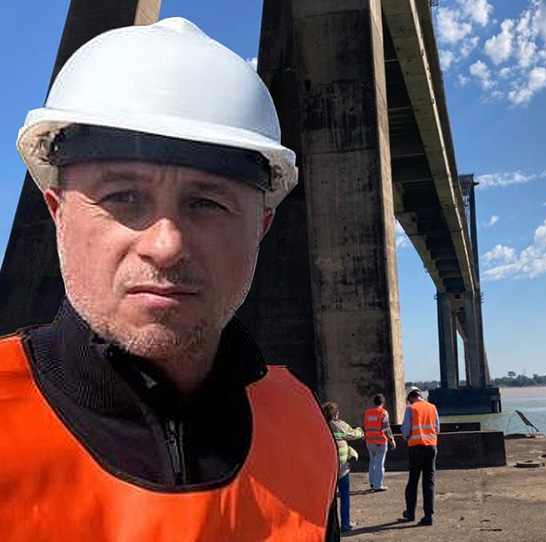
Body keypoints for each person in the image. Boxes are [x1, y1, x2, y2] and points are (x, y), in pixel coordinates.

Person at [0, 18, 340, 541]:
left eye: (207, 203)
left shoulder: (301, 427)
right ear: (57, 211)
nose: (165, 245)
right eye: (123, 197)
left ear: (262, 226)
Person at [400, 386, 440, 526]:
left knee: (413, 481)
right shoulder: (432, 407)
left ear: (410, 398)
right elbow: (437, 428)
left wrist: (407, 438)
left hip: (416, 448)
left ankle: (410, 513)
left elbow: (406, 430)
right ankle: (428, 516)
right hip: (431, 447)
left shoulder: (411, 409)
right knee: (429, 482)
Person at [323, 402, 364, 533]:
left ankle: (327, 525)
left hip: (326, 468)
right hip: (342, 467)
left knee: (328, 499)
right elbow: (354, 434)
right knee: (344, 494)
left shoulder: (320, 425)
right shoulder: (340, 425)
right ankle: (345, 523)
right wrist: (360, 431)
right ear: (336, 414)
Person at [363, 393, 396, 491]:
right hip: (380, 441)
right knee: (379, 464)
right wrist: (391, 440)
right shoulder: (383, 413)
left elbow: (366, 427)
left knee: (372, 462)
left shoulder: (368, 413)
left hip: (369, 441)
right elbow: (386, 429)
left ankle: (372, 483)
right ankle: (378, 485)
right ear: (383, 403)